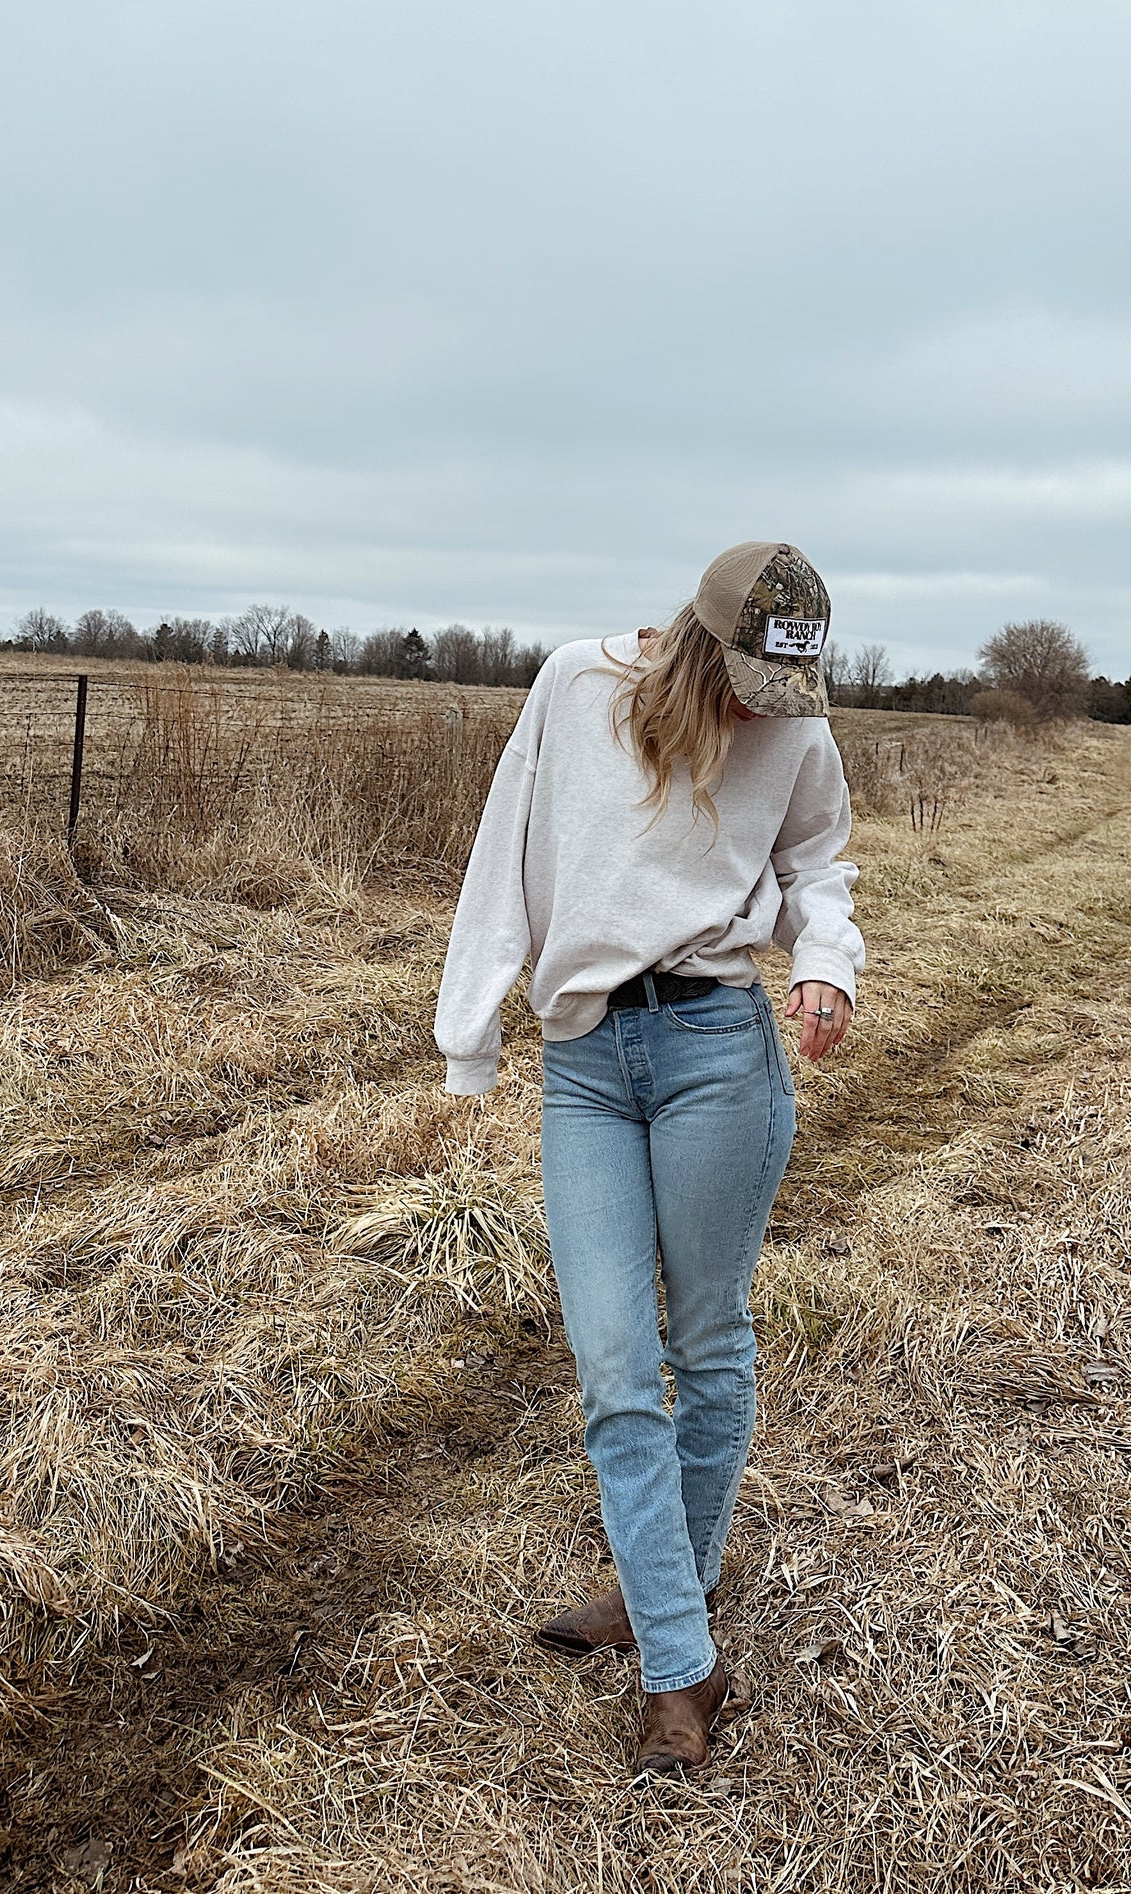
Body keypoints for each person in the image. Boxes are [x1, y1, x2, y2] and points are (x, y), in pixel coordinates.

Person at [433, 541, 865, 1774]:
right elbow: (503, 855)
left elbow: (815, 865)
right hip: (583, 1064)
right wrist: (470, 1032)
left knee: (708, 1344)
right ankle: (685, 1641)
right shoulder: (575, 687)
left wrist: (825, 961)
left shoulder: (798, 732)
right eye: (742, 680)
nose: (758, 712)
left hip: (718, 1054)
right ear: (697, 639)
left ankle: (660, 1628)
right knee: (616, 1367)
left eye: (783, 691)